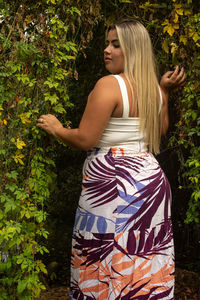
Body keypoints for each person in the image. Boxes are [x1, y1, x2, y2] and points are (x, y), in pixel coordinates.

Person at [37, 19, 185, 299]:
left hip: (113, 183)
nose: (107, 50)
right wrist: (164, 92)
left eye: (116, 45)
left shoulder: (109, 85)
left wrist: (57, 129)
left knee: (103, 259)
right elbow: (159, 132)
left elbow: (85, 139)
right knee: (142, 259)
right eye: (107, 43)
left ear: (133, 50)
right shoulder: (154, 89)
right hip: (149, 182)